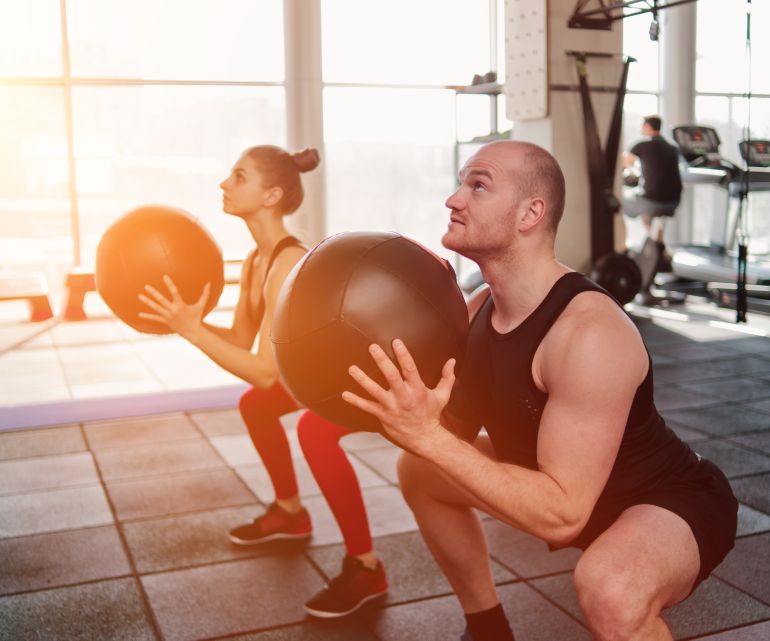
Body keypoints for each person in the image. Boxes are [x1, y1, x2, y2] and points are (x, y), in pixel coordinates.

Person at [341, 140, 738, 641]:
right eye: (461, 182)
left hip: (666, 499)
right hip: (560, 480)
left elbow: (562, 516)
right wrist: (390, 404)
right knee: (421, 471)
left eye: (477, 185)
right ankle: (487, 631)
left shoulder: (587, 333)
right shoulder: (480, 307)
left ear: (531, 213)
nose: (453, 199)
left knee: (611, 590)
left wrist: (429, 436)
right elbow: (448, 435)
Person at [137, 144, 387, 618]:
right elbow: (239, 338)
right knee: (257, 404)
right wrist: (185, 322)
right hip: (317, 373)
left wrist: (191, 332)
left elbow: (267, 369)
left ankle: (366, 566)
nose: (224, 185)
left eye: (238, 177)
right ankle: (291, 514)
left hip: (361, 373)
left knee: (314, 430)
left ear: (271, 195)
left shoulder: (288, 261)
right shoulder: (257, 260)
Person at [622, 115, 682, 244]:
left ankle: (622, 245)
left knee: (618, 203)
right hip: (673, 201)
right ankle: (659, 246)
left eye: (643, 127)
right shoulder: (673, 148)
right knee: (648, 215)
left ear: (648, 127)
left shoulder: (641, 145)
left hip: (653, 201)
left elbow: (623, 164)